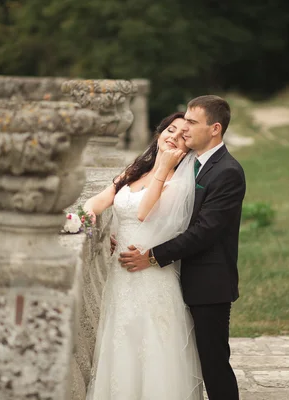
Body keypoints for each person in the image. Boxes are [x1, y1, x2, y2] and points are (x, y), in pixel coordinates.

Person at [118, 95, 246, 400]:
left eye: (191, 122)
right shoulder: (190, 162)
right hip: (175, 280)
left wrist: (151, 256)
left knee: (213, 364)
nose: (184, 128)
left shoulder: (226, 171)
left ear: (215, 128)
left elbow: (204, 232)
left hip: (208, 284)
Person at [83, 112, 204, 400]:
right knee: (122, 340)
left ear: (187, 147)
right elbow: (99, 200)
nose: (173, 136)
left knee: (151, 343)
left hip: (151, 274)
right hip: (120, 275)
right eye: (170, 130)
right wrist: (85, 220)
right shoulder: (136, 170)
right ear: (160, 132)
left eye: (182, 135)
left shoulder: (179, 181)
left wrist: (163, 167)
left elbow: (143, 212)